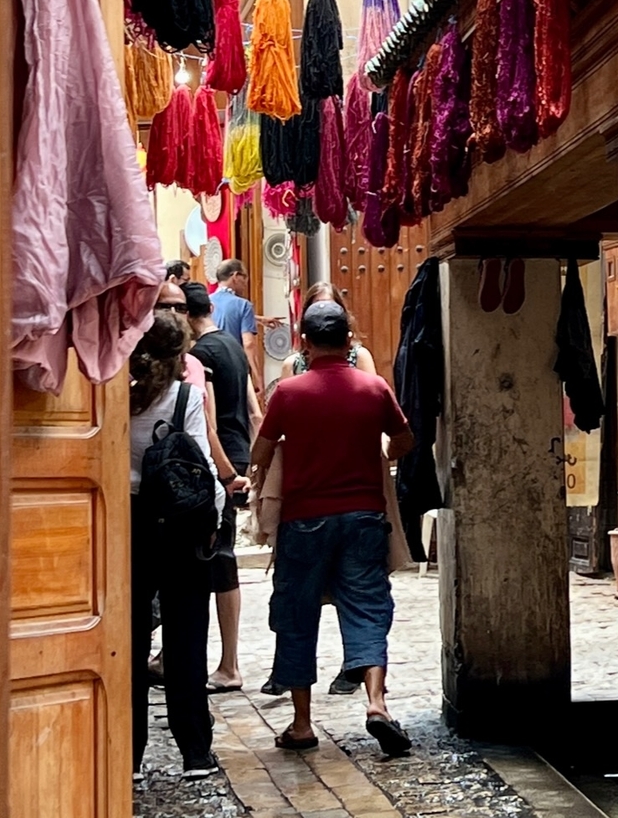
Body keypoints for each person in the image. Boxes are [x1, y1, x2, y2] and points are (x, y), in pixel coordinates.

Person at [249, 301, 414, 759]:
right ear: (348, 341)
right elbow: (404, 440)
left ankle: (302, 723)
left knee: (297, 615)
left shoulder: (289, 392)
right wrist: (378, 453)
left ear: (304, 343)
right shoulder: (373, 388)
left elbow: (260, 452)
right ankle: (377, 704)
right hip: (363, 516)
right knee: (368, 607)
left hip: (303, 519)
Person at [129, 310, 223, 779]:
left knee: (128, 638)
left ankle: (127, 753)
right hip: (182, 523)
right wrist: (215, 517)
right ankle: (195, 751)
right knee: (187, 637)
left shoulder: (119, 397)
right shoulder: (184, 396)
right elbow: (202, 462)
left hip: (129, 521)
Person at [184, 280, 258, 694]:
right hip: (238, 450)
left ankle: (229, 664)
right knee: (221, 556)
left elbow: (206, 419)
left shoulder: (201, 355)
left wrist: (225, 474)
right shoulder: (231, 345)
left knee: (217, 558)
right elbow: (252, 407)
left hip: (219, 459)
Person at [211, 259, 263, 396]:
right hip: (232, 370)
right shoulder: (243, 305)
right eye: (244, 277)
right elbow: (249, 344)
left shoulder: (205, 302)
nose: (246, 282)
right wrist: (258, 377)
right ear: (235, 276)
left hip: (207, 369)